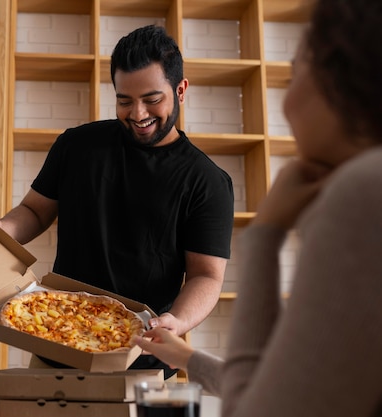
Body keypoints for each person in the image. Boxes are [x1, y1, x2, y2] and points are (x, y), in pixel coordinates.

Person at [133, 0, 382, 414]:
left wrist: (264, 237)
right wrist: (185, 357)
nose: (285, 98)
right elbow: (297, 384)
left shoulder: (363, 195)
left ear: (335, 79)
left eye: (293, 72)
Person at [0, 25, 234, 378]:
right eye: (124, 100)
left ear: (181, 90)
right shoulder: (76, 146)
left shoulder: (208, 182)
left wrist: (176, 321)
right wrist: (2, 231)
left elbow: (207, 276)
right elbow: (34, 211)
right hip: (55, 341)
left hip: (142, 358)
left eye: (152, 99)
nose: (138, 114)